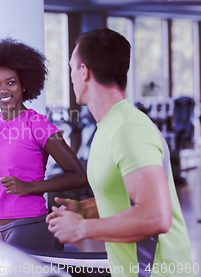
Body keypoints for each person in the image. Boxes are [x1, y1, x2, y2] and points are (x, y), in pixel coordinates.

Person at [47, 28, 194, 276]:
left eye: (72, 68)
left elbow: (156, 216)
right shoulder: (109, 126)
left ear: (84, 72)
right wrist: (84, 211)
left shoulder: (129, 129)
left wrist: (82, 229)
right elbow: (124, 197)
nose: (71, 76)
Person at [0, 38, 88, 251]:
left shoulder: (37, 124)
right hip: (0, 228)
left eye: (11, 82)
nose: (3, 90)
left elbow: (79, 176)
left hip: (30, 225)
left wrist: (30, 187)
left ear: (24, 84)